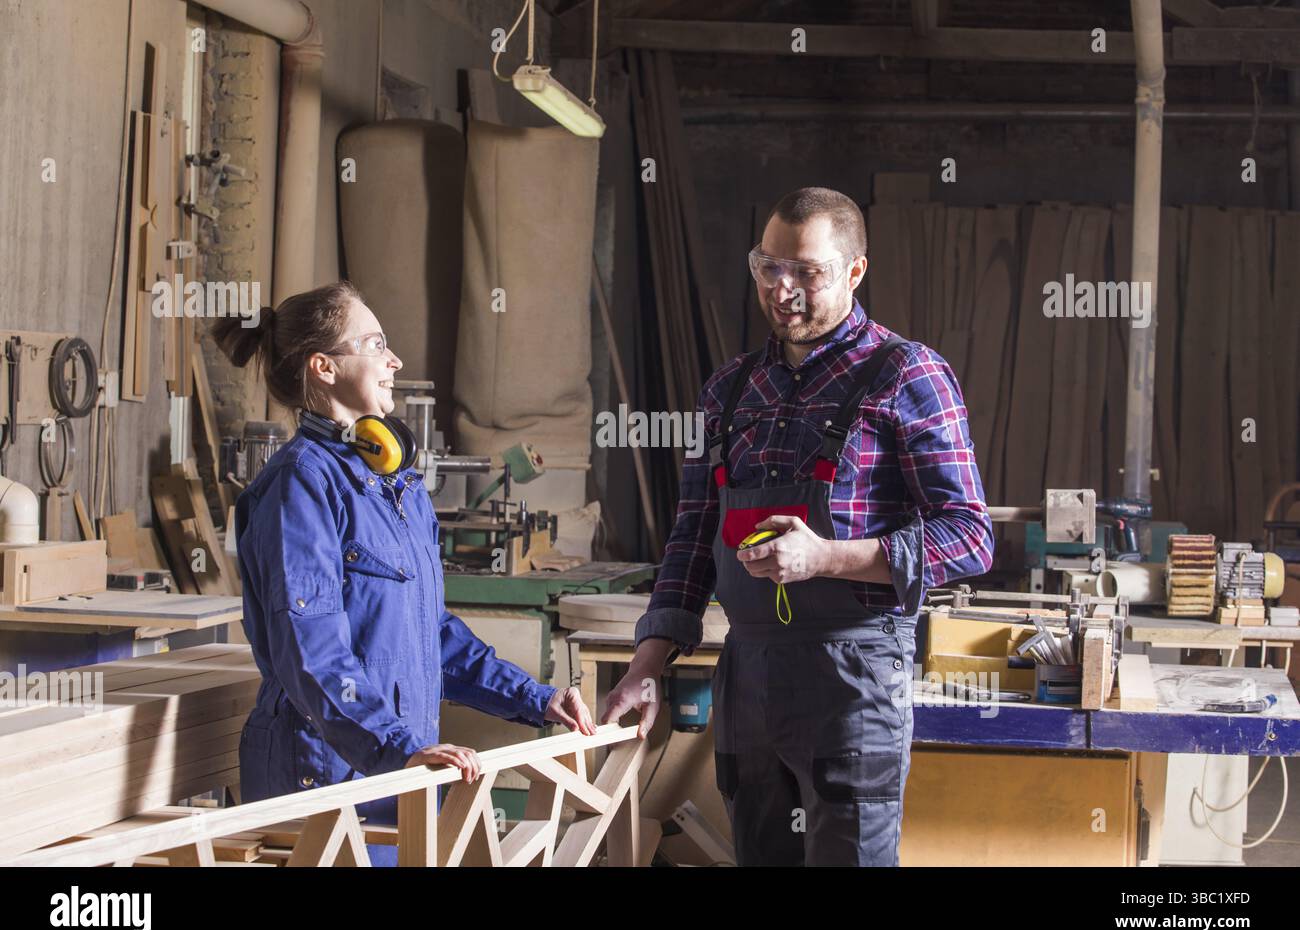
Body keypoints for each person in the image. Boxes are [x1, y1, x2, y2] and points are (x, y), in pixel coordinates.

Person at [601, 187, 995, 866]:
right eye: (768, 268)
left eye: (806, 273)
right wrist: (647, 665)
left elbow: (970, 536)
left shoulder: (906, 375)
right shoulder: (729, 389)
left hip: (854, 678)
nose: (783, 291)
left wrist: (828, 558)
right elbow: (693, 537)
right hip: (748, 674)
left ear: (854, 272)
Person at [213, 281, 594, 865]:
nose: (394, 361)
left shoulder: (399, 488)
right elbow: (310, 654)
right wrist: (399, 749)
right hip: (321, 773)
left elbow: (431, 635)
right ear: (324, 367)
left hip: (395, 767)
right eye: (375, 344)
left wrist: (535, 699)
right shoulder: (301, 486)